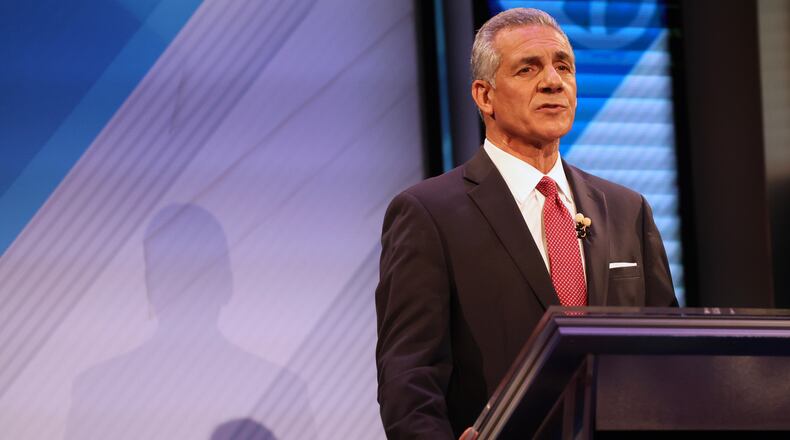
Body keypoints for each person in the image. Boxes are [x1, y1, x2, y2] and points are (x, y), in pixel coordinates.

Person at [374, 7, 678, 439]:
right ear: (484, 96)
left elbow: (666, 355)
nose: (553, 81)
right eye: (528, 68)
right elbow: (409, 378)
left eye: (563, 66)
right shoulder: (428, 214)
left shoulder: (627, 209)